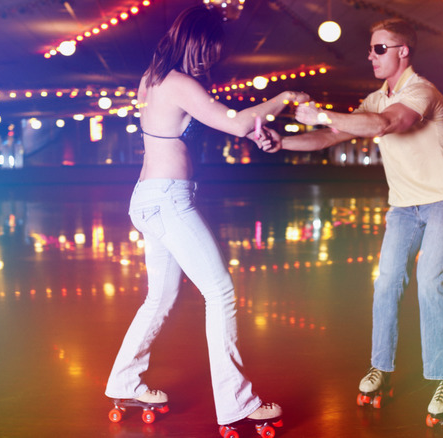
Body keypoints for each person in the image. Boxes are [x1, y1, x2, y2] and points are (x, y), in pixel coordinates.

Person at [104, 5, 308, 429]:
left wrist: (258, 130)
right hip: (168, 199)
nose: (209, 61)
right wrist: (285, 98)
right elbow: (236, 123)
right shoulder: (178, 83)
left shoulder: (154, 78)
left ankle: (124, 379)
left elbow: (227, 123)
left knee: (159, 298)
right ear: (193, 43)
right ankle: (237, 403)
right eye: (207, 52)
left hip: (150, 197)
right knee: (220, 293)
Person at [266, 17, 443, 417]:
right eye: (370, 49)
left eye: (379, 48)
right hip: (403, 206)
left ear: (403, 51)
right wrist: (282, 141)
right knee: (386, 282)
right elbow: (330, 136)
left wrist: (323, 114)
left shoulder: (421, 91)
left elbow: (388, 123)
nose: (371, 56)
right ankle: (380, 366)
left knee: (430, 282)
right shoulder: (376, 98)